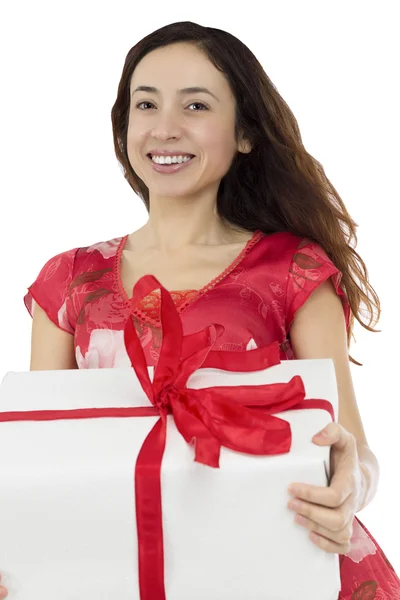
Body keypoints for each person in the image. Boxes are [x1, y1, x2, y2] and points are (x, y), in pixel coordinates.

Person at [1, 20, 398, 600]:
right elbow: (45, 457)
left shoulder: (294, 269)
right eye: (146, 104)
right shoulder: (69, 281)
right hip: (123, 566)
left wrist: (348, 488)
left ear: (244, 134)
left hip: (282, 559)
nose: (165, 128)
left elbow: (354, 450)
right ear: (125, 126)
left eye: (196, 105)